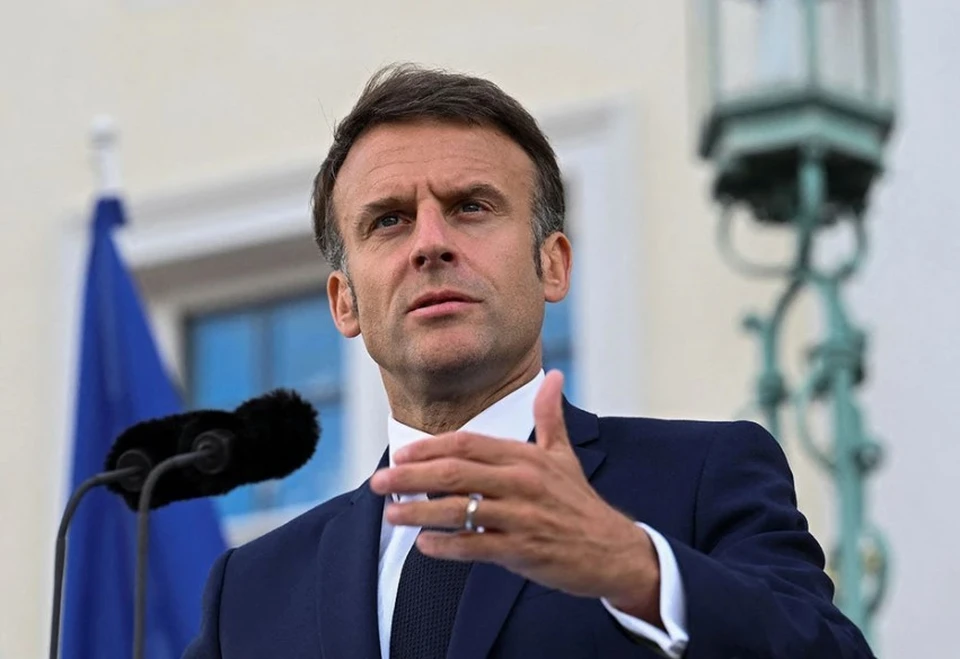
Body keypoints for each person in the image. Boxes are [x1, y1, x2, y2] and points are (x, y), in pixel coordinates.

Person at [183, 64, 875, 659]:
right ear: (344, 302)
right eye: (389, 219)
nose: (429, 243)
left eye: (471, 207)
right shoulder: (249, 593)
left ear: (553, 264)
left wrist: (637, 570)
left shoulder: (700, 479)